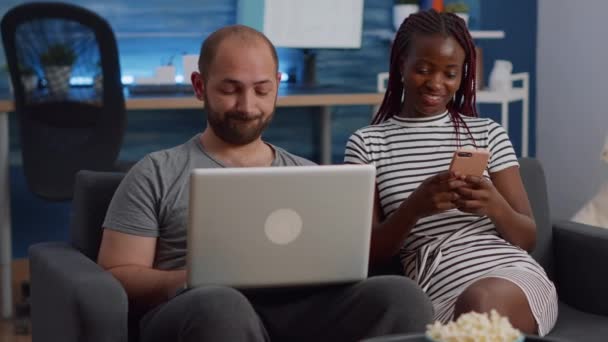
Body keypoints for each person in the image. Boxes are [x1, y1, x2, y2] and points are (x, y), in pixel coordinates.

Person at [97, 25, 433, 342]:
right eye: (230, 89)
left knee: (401, 296)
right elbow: (116, 273)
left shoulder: (308, 175)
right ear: (200, 86)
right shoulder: (156, 171)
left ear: (276, 85)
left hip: (298, 309)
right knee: (221, 304)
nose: (247, 106)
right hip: (196, 309)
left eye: (261, 90)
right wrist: (191, 279)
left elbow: (338, 266)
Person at [344, 10, 558, 336]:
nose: (436, 84)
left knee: (480, 299)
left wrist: (493, 204)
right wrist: (416, 206)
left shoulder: (487, 133)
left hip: (510, 278)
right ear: (401, 64)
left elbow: (528, 238)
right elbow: (368, 254)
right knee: (471, 306)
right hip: (433, 290)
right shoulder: (367, 144)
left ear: (462, 76)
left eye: (450, 73)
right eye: (423, 69)